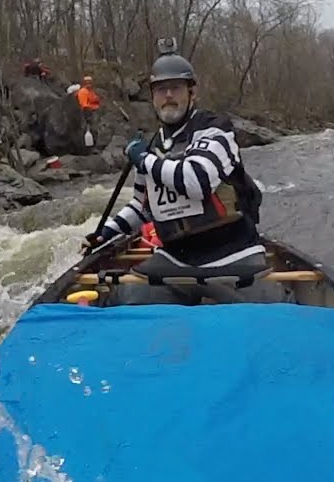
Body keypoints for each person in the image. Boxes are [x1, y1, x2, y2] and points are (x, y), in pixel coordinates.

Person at [82, 41, 271, 306]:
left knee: (267, 315)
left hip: (234, 255)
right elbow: (141, 206)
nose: (168, 95)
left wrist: (143, 159)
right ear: (153, 97)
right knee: (121, 300)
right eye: (161, 89)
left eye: (176, 88)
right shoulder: (151, 145)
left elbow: (197, 181)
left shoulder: (216, 129)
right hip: (175, 260)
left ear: (192, 93)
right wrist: (107, 233)